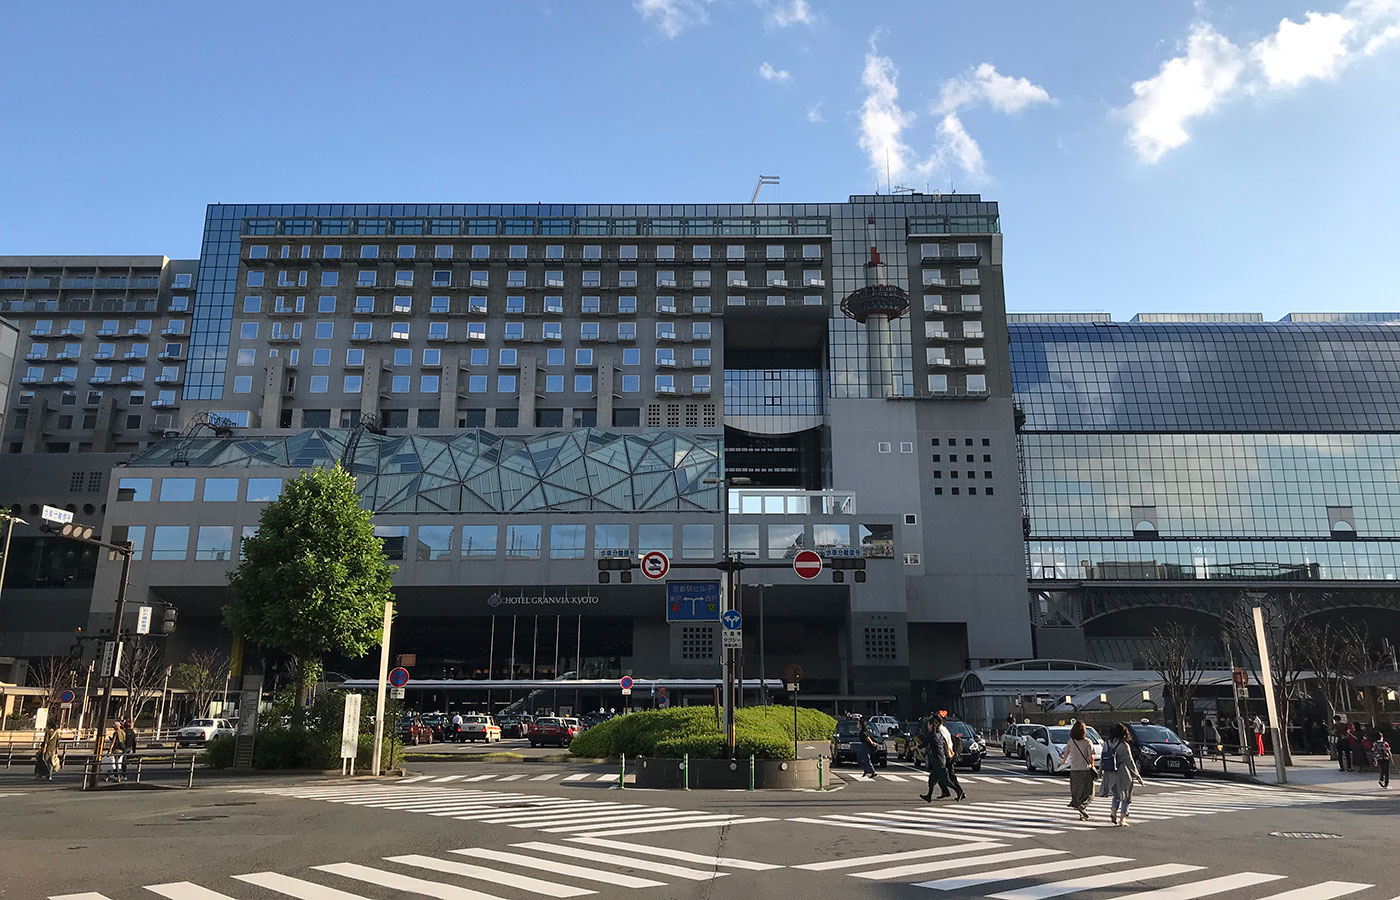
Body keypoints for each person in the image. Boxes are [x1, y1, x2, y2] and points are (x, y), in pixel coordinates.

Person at [1098, 723, 1144, 826]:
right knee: (1126, 795)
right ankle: (1122, 819)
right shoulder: (1123, 745)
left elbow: (1102, 758)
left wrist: (1100, 771)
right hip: (1122, 772)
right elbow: (1130, 762)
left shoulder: (1107, 743)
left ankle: (1113, 811)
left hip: (1109, 773)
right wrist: (1138, 776)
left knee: (1116, 795)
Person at [1059, 720, 1096, 820]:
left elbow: (1066, 753)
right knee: (1089, 792)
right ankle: (1082, 806)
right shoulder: (1087, 742)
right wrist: (1092, 765)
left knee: (1077, 791)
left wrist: (1064, 761)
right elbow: (1091, 756)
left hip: (1074, 770)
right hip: (1085, 770)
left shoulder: (1071, 741)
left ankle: (1080, 812)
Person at [919, 714, 953, 802]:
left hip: (941, 757)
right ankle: (930, 796)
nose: (927, 726)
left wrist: (917, 747)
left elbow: (926, 743)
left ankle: (959, 791)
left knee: (946, 779)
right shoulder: (941, 731)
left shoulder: (938, 732)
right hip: (944, 756)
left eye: (928, 724)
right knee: (933, 779)